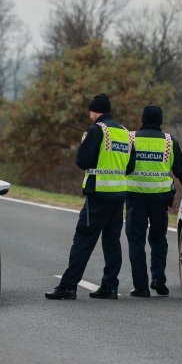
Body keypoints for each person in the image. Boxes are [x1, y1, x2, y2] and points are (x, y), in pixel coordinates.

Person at [45, 94, 130, 300]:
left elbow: (82, 161)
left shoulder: (96, 130)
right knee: (112, 242)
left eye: (90, 112)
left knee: (83, 239)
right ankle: (109, 287)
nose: (89, 116)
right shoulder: (125, 133)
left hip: (98, 195)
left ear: (94, 111)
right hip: (118, 196)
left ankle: (68, 287)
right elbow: (131, 165)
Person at [124, 105, 182, 297]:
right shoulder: (169, 142)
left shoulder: (131, 139)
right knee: (158, 240)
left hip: (135, 197)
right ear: (160, 121)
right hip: (160, 200)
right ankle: (158, 279)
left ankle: (141, 287)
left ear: (142, 119)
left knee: (136, 242)